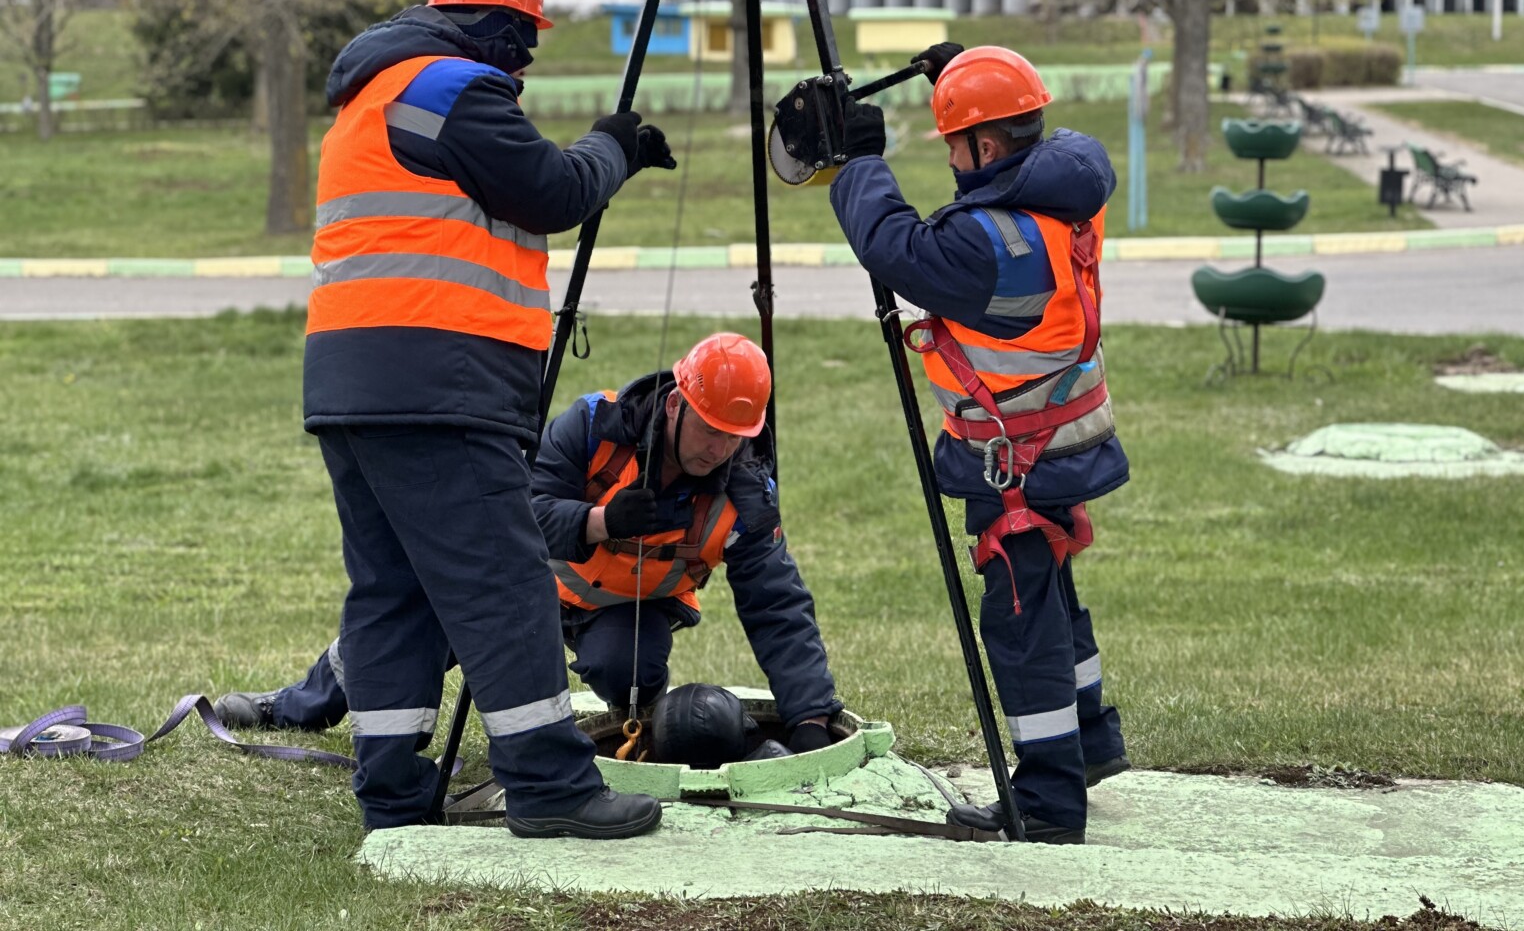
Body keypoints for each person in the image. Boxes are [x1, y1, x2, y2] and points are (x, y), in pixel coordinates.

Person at [298, 0, 675, 839]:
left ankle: (391, 791)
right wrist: (611, 146)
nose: (522, 69)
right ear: (497, 29)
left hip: (354, 387)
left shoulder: (373, 96)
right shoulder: (446, 88)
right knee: (506, 583)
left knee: (393, 590)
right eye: (522, 48)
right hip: (440, 386)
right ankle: (550, 784)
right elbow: (551, 189)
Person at [217, 334, 842, 758]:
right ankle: (294, 707)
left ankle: (640, 725)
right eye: (710, 429)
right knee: (416, 634)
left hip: (628, 610)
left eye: (736, 437)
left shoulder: (746, 491)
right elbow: (515, 515)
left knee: (634, 673)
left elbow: (777, 604)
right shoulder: (594, 424)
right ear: (678, 402)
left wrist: (811, 718)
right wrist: (599, 521)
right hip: (528, 581)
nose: (719, 450)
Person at [823, 43, 1130, 844]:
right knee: (1054, 595)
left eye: (958, 143)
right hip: (1063, 443)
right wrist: (966, 80)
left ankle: (1050, 803)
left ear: (986, 148)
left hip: (1019, 464)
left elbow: (894, 248)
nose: (952, 160)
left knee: (1023, 625)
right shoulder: (1070, 182)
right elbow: (983, 205)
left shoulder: (993, 249)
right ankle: (1092, 741)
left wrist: (859, 163)